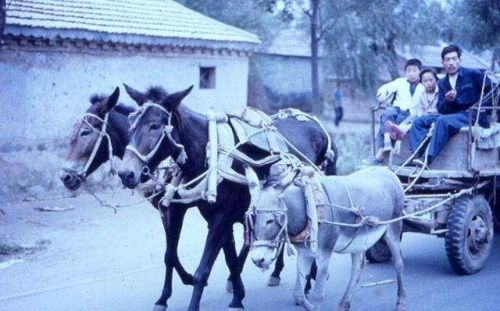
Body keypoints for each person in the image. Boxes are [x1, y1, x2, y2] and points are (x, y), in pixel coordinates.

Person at [409, 44, 492, 165]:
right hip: (452, 117)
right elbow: (441, 109)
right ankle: (418, 154)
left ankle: (428, 159)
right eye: (447, 60)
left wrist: (480, 108)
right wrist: (448, 100)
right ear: (443, 63)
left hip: (471, 116)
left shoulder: (473, 74)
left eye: (454, 59)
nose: (451, 63)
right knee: (419, 121)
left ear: (460, 60)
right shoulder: (442, 83)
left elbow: (493, 92)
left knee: (442, 121)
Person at [363, 58, 424, 165]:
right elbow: (387, 88)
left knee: (397, 122)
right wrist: (382, 93)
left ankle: (380, 155)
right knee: (387, 113)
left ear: (420, 71)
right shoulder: (400, 82)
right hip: (397, 109)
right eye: (408, 71)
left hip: (411, 114)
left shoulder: (423, 86)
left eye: (414, 71)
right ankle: (386, 144)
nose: (411, 74)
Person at [385, 67, 440, 140]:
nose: (428, 83)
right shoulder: (422, 94)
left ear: (436, 80)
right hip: (424, 116)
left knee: (416, 121)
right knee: (413, 116)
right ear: (421, 83)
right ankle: (398, 129)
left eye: (431, 80)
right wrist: (420, 117)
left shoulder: (440, 92)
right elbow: (420, 109)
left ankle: (402, 131)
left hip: (435, 116)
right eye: (425, 81)